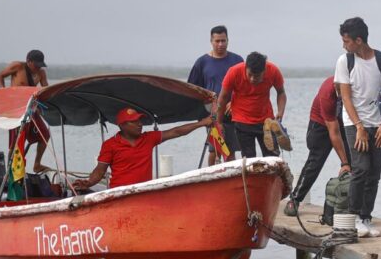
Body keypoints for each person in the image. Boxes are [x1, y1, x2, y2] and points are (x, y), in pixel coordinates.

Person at [334, 17, 381, 238]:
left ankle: (366, 217)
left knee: (375, 172)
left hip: (378, 124)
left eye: (346, 40)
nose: (344, 45)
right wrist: (359, 126)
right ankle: (353, 217)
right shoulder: (345, 61)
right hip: (354, 122)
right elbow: (346, 97)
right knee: (360, 168)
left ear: (359, 40)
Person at [73, 107, 213, 190]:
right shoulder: (110, 144)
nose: (139, 124)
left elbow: (176, 132)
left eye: (139, 120)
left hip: (144, 192)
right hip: (119, 193)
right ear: (122, 125)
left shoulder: (148, 138)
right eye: (134, 122)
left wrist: (201, 123)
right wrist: (88, 183)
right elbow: (100, 170)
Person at [284, 75, 351, 216]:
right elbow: (334, 132)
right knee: (315, 162)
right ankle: (294, 199)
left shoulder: (356, 85)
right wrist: (344, 162)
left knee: (355, 164)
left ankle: (354, 208)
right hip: (321, 124)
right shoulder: (327, 92)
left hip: (345, 123)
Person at [214, 51, 288, 159]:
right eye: (250, 75)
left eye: (257, 76)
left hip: (266, 121)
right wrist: (219, 122)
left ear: (264, 71)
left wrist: (280, 112)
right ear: (246, 68)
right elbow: (223, 97)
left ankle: (273, 176)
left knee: (273, 157)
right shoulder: (234, 72)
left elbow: (281, 92)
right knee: (249, 160)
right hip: (242, 120)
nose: (253, 79)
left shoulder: (273, 71)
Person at [188, 25, 244, 163]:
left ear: (228, 41)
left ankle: (231, 180)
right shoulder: (202, 62)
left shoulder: (237, 60)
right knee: (214, 149)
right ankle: (211, 176)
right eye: (217, 41)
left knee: (230, 150)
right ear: (211, 41)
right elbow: (192, 89)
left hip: (232, 113)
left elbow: (244, 88)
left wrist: (234, 102)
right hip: (211, 113)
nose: (220, 44)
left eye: (223, 41)